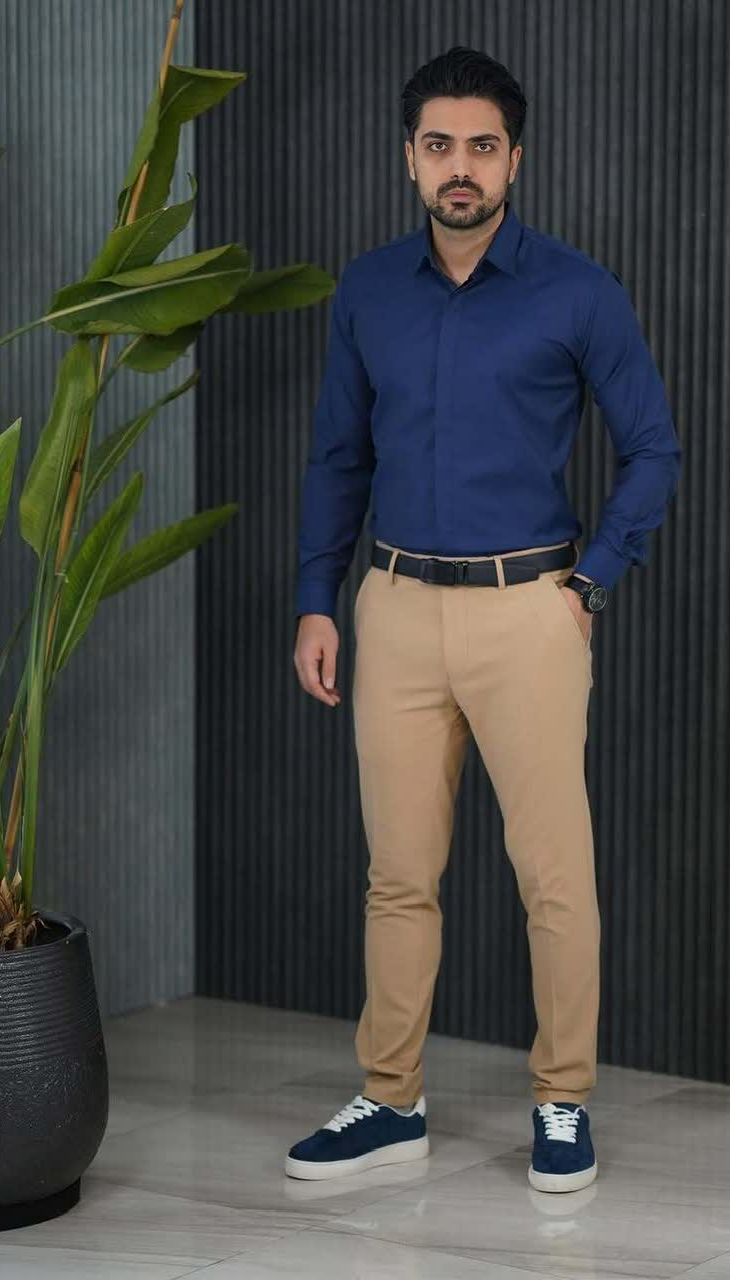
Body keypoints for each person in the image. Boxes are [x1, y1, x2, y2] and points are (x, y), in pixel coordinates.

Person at [288, 45, 681, 1194]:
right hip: (394, 608)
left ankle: (562, 1100)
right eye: (438, 145)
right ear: (408, 157)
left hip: (528, 612)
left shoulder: (576, 291)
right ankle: (390, 1099)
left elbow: (652, 449)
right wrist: (317, 599)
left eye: (481, 146)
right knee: (397, 874)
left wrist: (590, 583)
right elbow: (336, 457)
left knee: (551, 874)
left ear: (514, 158)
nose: (458, 167)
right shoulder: (368, 290)